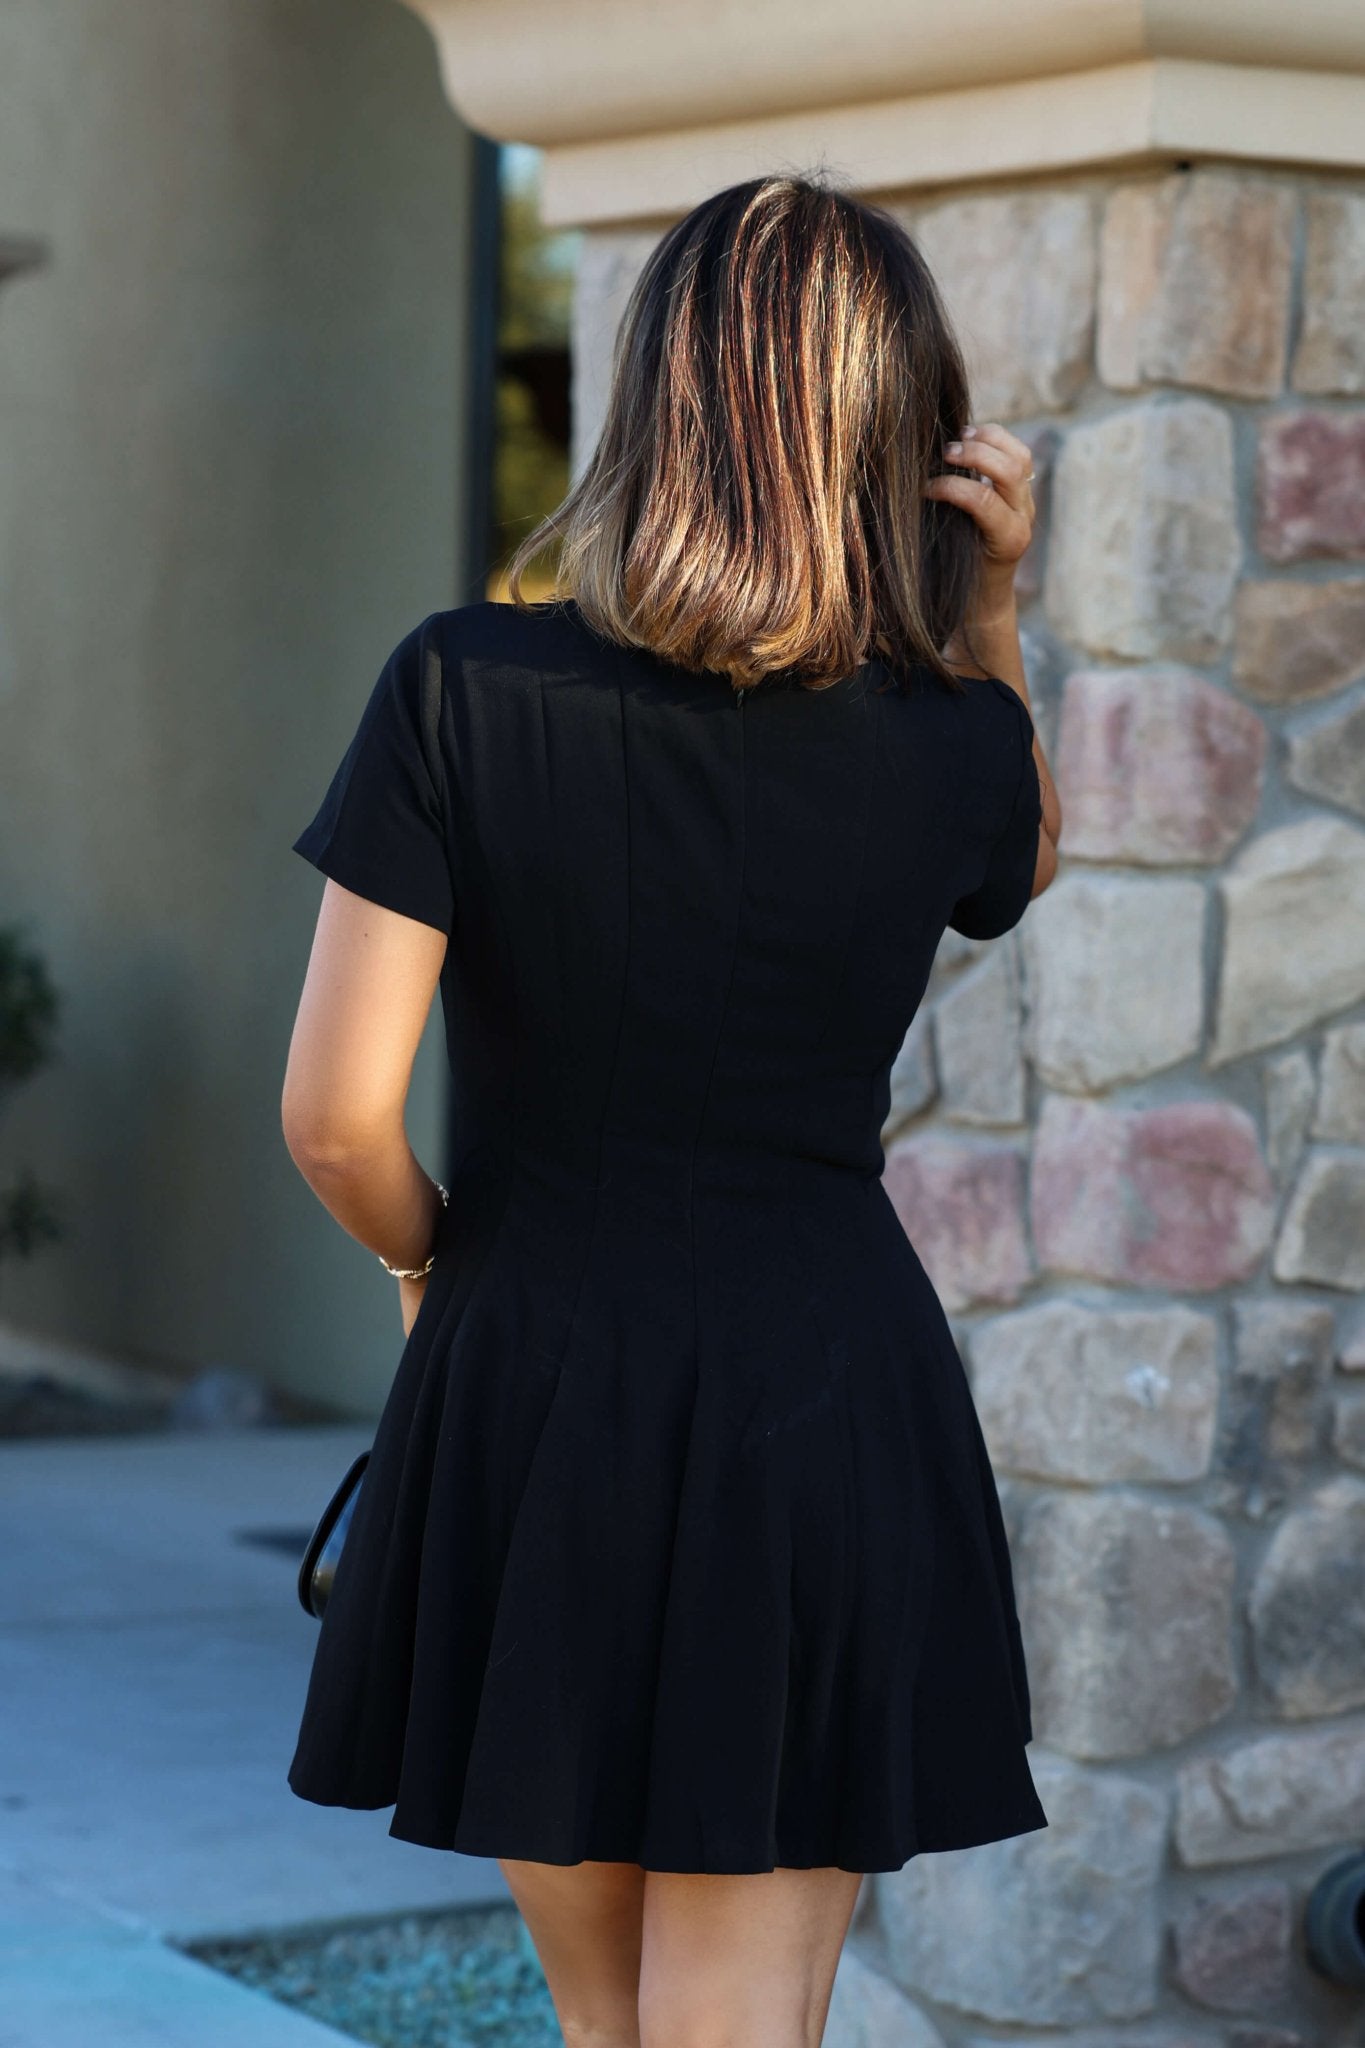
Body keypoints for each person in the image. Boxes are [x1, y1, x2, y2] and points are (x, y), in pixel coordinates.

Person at [280, 169, 1062, 2048]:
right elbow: (1018, 860)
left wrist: (431, 1271)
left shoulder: (457, 685)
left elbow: (335, 1123)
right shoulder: (949, 731)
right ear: (895, 430)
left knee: (604, 2022)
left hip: (531, 1382)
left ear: (656, 399)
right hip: (820, 1397)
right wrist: (992, 609)